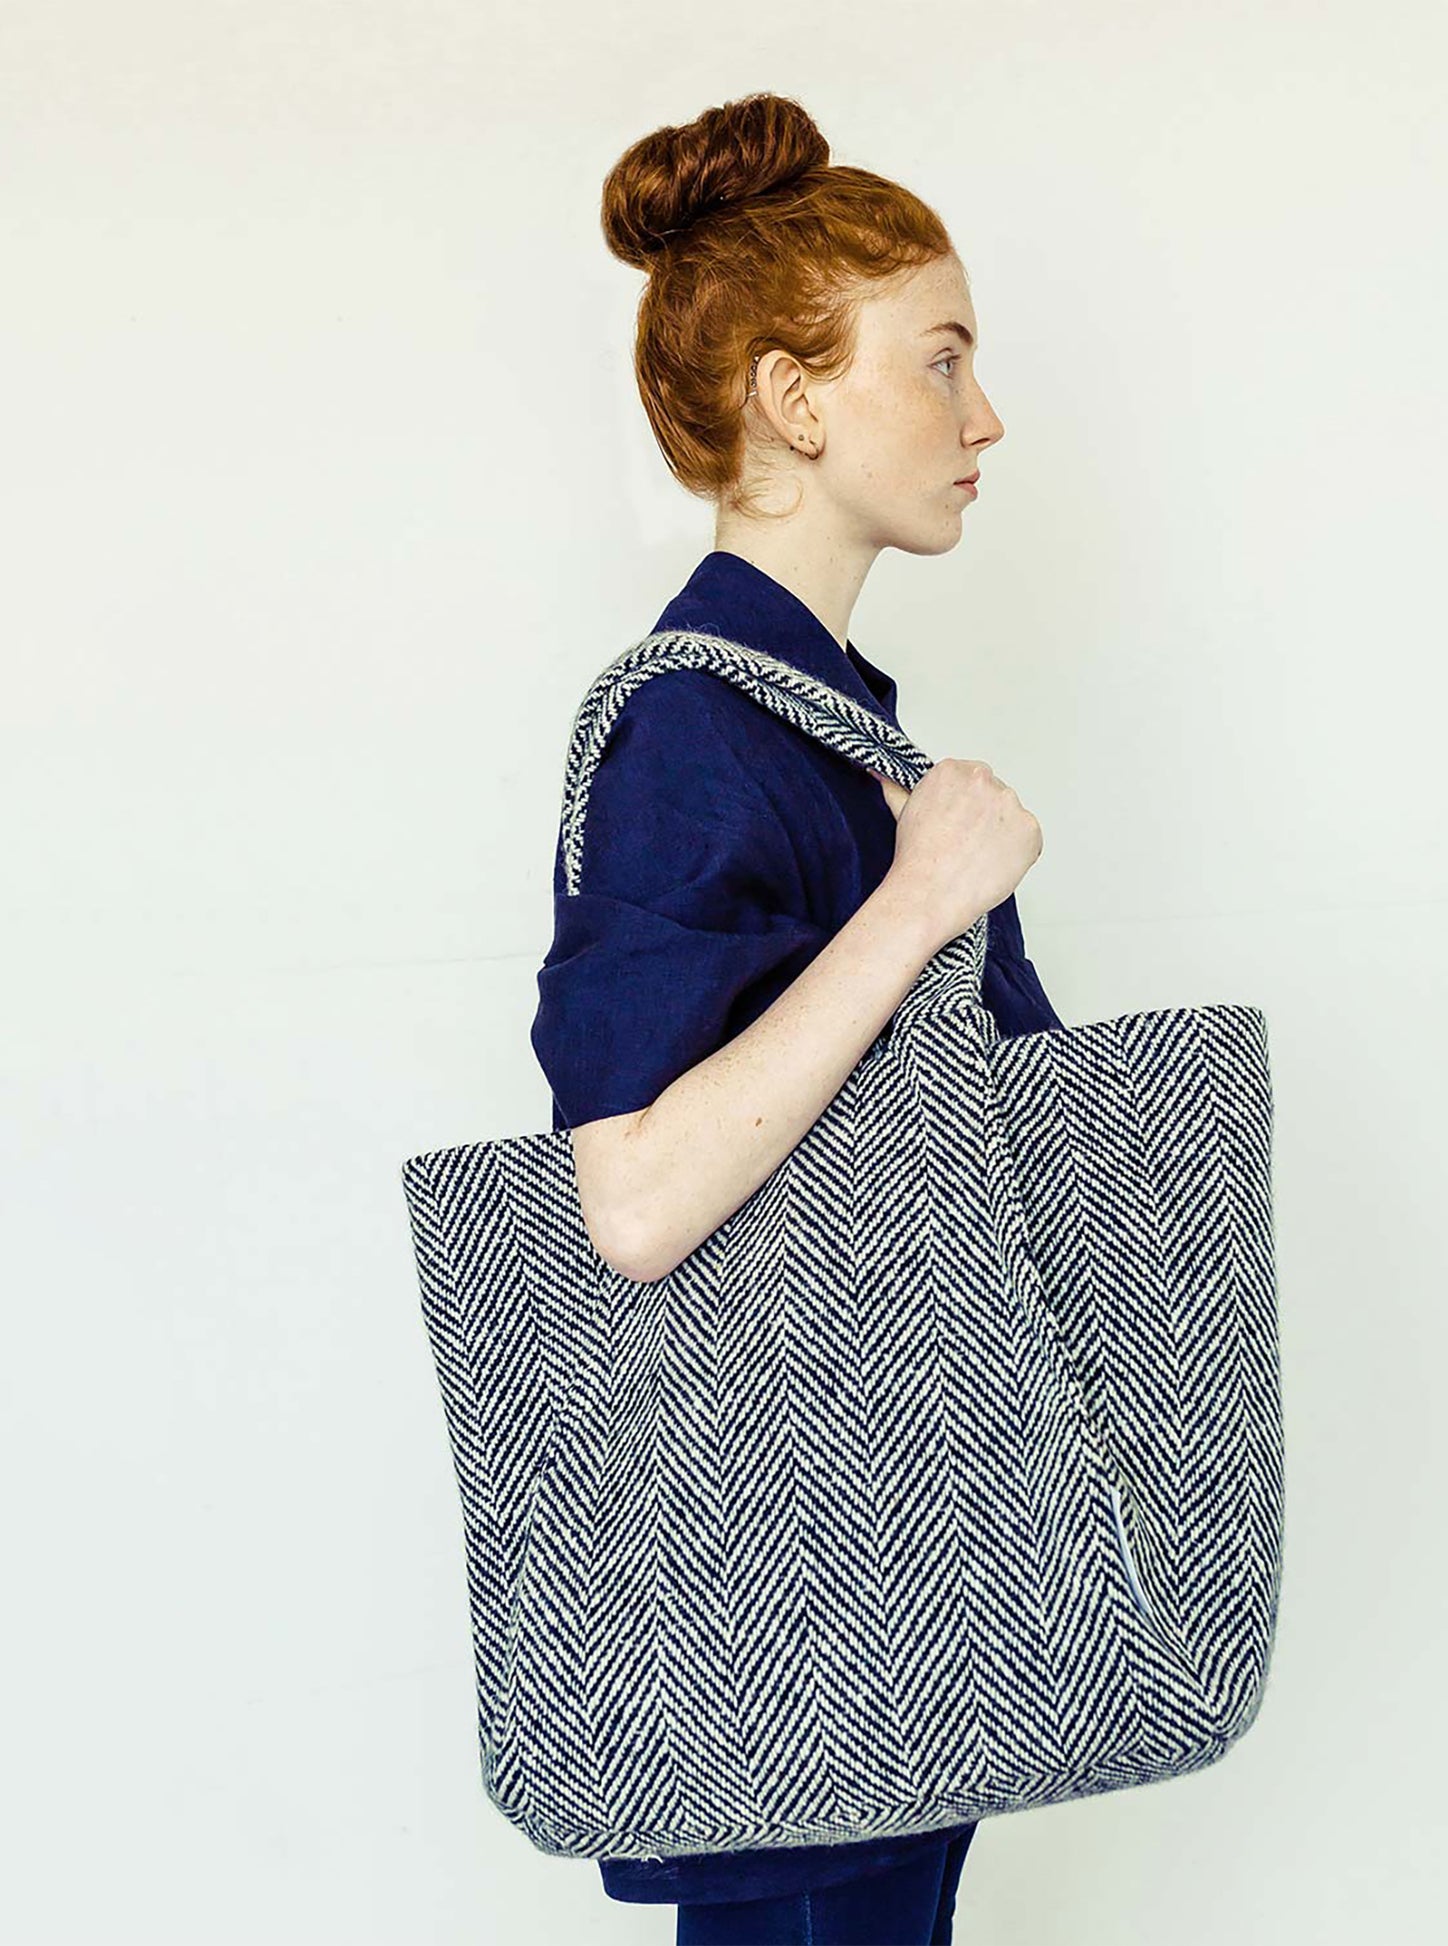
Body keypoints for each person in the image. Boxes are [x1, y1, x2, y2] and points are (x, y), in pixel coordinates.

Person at [528, 89, 1064, 1945]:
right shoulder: (692, 736)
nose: (983, 415)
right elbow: (637, 1198)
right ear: (790, 396)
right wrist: (925, 900)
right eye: (940, 357)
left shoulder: (826, 720)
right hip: (797, 1606)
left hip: (890, 1582)